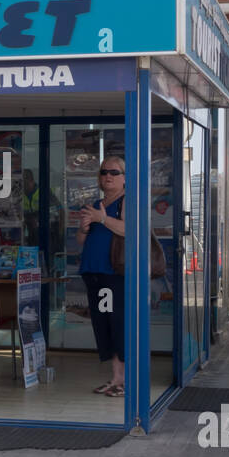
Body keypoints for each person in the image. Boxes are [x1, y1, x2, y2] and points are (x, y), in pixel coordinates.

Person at [76, 155, 126, 398]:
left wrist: (102, 218)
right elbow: (80, 240)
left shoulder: (127, 201)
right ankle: (115, 378)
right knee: (103, 325)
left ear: (124, 177)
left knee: (117, 324)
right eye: (105, 172)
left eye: (114, 172)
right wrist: (85, 227)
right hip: (94, 274)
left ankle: (123, 379)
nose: (108, 176)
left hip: (113, 275)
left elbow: (129, 230)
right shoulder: (96, 204)